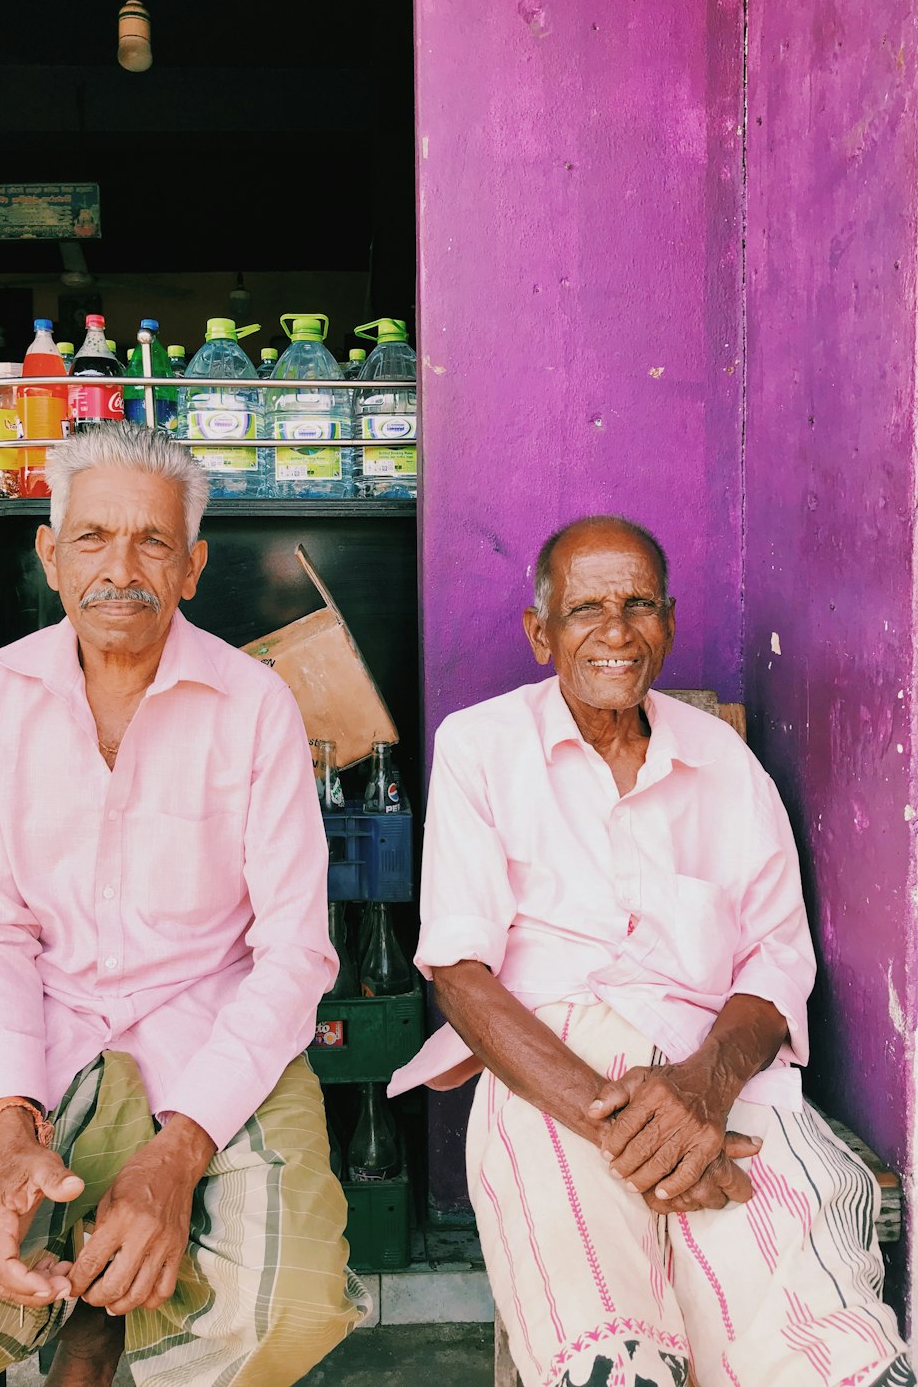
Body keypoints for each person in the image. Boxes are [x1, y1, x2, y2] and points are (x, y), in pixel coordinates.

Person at [0, 424, 368, 1387]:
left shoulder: (255, 705)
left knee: (293, 1317)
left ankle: (117, 1318)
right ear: (49, 554)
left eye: (152, 543)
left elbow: (296, 954)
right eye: (91, 539)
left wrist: (180, 1156)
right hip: (41, 1028)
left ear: (193, 567)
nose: (120, 570)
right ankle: (67, 1308)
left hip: (214, 1039)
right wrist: (8, 1131)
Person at [388, 514, 913, 1387]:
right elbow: (460, 974)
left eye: (639, 606)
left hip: (713, 1070)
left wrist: (702, 1093)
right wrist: (632, 1130)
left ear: (667, 622)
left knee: (792, 1289)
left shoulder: (725, 763)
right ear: (539, 633)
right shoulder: (479, 748)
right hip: (549, 1073)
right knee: (606, 1331)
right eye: (586, 609)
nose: (616, 632)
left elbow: (775, 961)